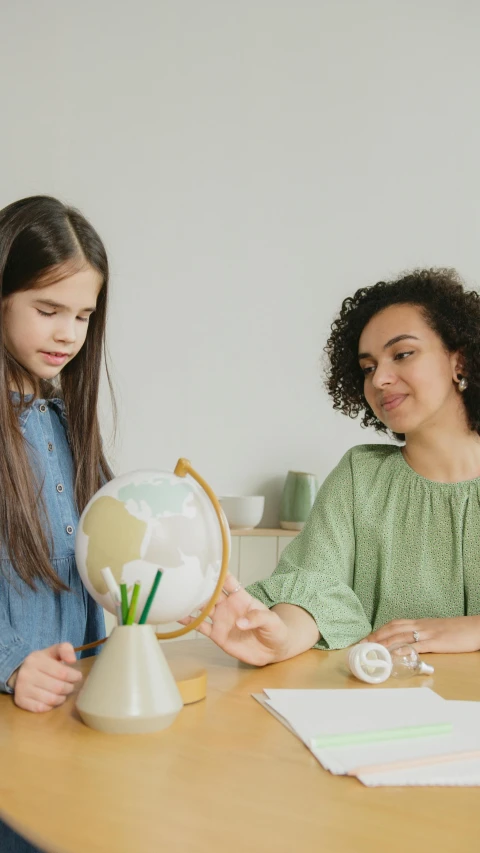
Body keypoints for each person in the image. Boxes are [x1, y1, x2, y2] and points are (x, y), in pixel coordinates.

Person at [185, 268, 480, 664]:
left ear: (459, 360)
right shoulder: (361, 477)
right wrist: (281, 638)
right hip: (388, 713)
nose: (380, 379)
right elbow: (317, 584)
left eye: (402, 354)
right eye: (368, 367)